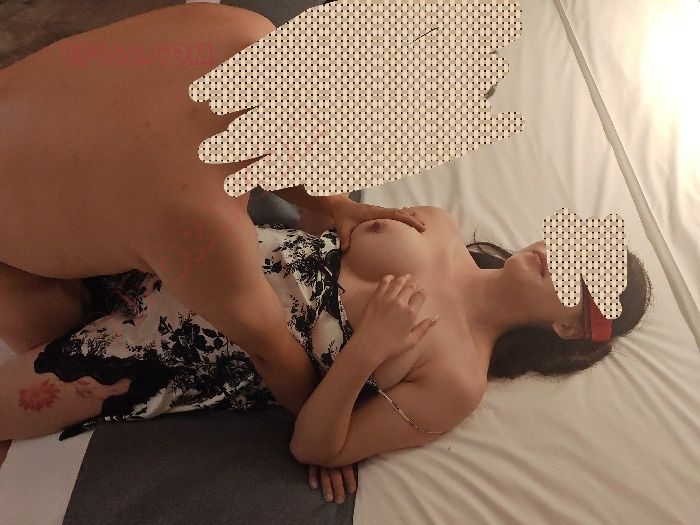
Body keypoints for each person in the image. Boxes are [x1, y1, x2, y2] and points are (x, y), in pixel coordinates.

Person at [0, 197, 652, 503]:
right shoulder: (440, 225)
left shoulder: (459, 380)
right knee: (14, 250)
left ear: (571, 327)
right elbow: (322, 223)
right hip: (191, 246)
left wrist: (366, 353)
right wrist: (335, 207)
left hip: (180, 349)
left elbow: (316, 447)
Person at [0, 2, 426, 424]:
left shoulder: (241, 29)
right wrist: (338, 404)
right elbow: (273, 354)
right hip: (15, 251)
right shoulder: (204, 222)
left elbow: (265, 136)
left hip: (25, 121)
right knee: (62, 346)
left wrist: (335, 204)